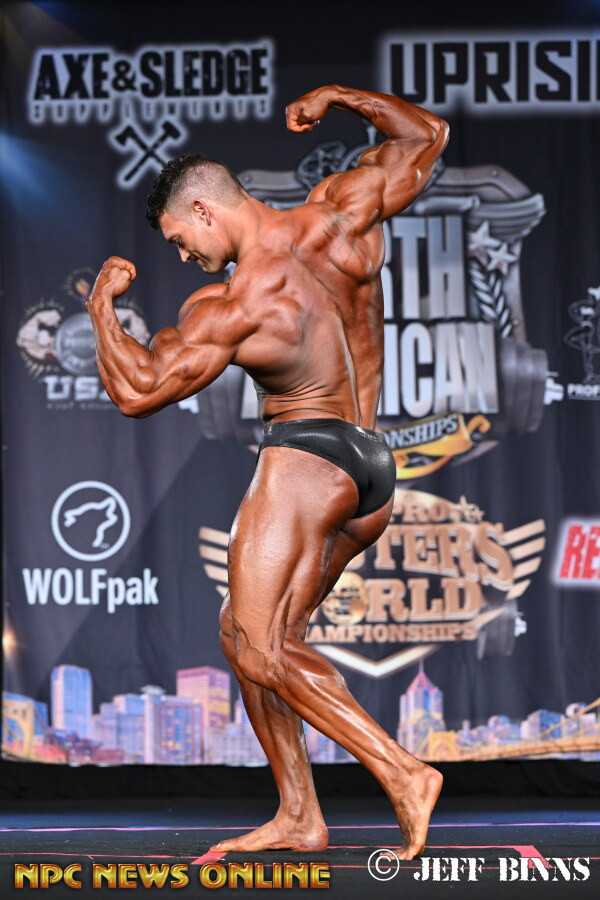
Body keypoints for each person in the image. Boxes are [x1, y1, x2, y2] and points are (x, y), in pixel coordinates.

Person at [87, 84, 449, 859]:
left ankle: (403, 773)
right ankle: (299, 814)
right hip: (370, 468)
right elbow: (427, 137)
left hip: (305, 458)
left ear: (205, 210)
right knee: (249, 634)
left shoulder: (235, 302)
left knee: (258, 648)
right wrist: (341, 98)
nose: (183, 255)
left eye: (180, 239)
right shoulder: (338, 214)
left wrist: (100, 309)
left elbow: (138, 391)